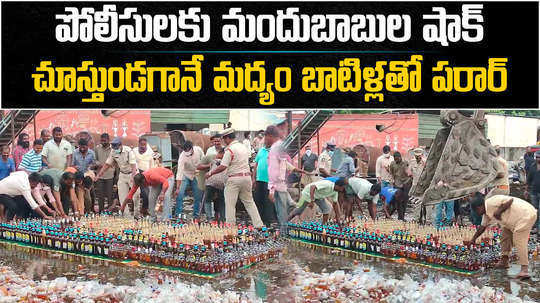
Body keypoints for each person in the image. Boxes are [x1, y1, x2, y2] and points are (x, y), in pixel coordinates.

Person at [468, 195, 537, 279]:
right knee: (505, 236)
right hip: (512, 221)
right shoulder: (486, 214)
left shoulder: (492, 202)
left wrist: (499, 211)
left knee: (519, 241)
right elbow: (482, 227)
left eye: (476, 211)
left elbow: (510, 200)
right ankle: (505, 260)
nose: (476, 213)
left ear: (479, 207)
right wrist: (473, 239)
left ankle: (524, 270)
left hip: (525, 215)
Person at [205, 128, 264, 227]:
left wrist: (210, 173)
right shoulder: (243, 147)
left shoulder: (229, 149)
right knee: (249, 203)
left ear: (228, 138)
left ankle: (230, 227)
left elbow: (223, 166)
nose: (223, 141)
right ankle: (259, 225)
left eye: (224, 139)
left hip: (234, 179)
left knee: (230, 205)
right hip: (246, 177)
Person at [266, 125, 308, 233]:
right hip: (280, 185)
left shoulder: (275, 149)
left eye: (266, 137)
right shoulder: (277, 148)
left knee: (281, 210)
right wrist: (297, 170)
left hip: (278, 185)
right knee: (283, 209)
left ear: (270, 136)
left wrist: (271, 189)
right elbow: (284, 164)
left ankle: (284, 232)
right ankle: (285, 228)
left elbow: (273, 171)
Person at [95, 137, 138, 217]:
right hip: (122, 174)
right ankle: (126, 216)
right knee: (122, 196)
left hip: (132, 173)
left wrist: (133, 177)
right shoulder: (113, 151)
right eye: (114, 147)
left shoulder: (128, 151)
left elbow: (133, 165)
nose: (115, 149)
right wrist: (99, 175)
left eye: (117, 147)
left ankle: (136, 215)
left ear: (121, 145)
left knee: (136, 195)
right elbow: (107, 164)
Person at [175, 140, 204, 219]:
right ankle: (178, 214)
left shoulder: (198, 150)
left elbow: (204, 160)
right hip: (186, 173)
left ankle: (196, 214)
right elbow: (179, 172)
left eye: (189, 152)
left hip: (197, 173)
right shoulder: (182, 156)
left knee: (198, 195)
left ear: (192, 148)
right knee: (180, 193)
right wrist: (177, 188)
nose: (188, 154)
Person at [199, 148, 227, 222]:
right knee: (222, 202)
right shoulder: (226, 162)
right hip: (222, 183)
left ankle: (209, 218)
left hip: (211, 182)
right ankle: (223, 219)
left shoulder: (214, 161)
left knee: (207, 200)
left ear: (220, 154)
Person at [252, 138, 275, 226]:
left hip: (269, 181)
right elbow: (256, 165)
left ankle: (268, 221)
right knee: (258, 200)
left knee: (267, 201)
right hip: (259, 180)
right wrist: (253, 178)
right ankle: (260, 221)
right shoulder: (261, 150)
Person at [94, 133, 114, 212]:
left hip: (110, 175)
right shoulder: (97, 148)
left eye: (105, 140)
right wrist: (97, 163)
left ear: (108, 140)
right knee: (100, 195)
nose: (103, 142)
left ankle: (109, 212)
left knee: (109, 195)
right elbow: (94, 159)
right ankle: (101, 212)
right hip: (100, 176)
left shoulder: (113, 149)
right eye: (101, 140)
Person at [133, 137, 154, 216]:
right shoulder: (134, 151)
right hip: (137, 174)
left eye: (144, 145)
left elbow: (152, 165)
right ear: (138, 144)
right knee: (136, 193)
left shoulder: (150, 152)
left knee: (146, 193)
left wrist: (151, 175)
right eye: (141, 144)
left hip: (146, 174)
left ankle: (144, 209)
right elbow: (133, 163)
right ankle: (136, 210)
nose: (143, 146)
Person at [526, 150, 540, 233]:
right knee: (535, 210)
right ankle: (535, 227)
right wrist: (526, 190)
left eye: (539, 157)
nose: (538, 159)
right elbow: (528, 179)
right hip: (534, 192)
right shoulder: (533, 166)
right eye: (537, 157)